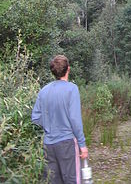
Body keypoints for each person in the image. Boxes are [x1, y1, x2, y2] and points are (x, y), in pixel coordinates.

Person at [32, 54, 88, 184]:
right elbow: (75, 120)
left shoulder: (43, 91)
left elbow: (35, 118)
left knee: (53, 181)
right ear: (68, 69)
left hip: (48, 145)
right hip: (67, 144)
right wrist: (82, 145)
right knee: (72, 180)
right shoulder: (72, 89)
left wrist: (48, 124)